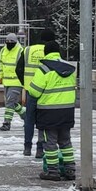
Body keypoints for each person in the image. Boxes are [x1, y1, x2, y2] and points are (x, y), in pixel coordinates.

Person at [26, 39, 78, 181]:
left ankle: (52, 171)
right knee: (66, 142)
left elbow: (34, 92)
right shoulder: (69, 69)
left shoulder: (44, 69)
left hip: (49, 112)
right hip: (67, 111)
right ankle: (70, 170)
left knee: (50, 143)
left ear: (46, 52)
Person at [16, 30, 56, 158]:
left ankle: (27, 148)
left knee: (29, 119)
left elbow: (19, 69)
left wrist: (25, 83)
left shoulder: (27, 50)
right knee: (43, 120)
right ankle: (40, 148)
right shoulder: (50, 52)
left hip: (30, 90)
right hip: (46, 91)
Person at [0, 32, 26, 132]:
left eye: (11, 42)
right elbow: (1, 65)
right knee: (11, 103)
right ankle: (27, 117)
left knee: (9, 102)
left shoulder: (20, 51)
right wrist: (0, 77)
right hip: (6, 81)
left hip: (17, 81)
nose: (9, 44)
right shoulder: (3, 51)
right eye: (7, 42)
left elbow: (22, 67)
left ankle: (6, 123)